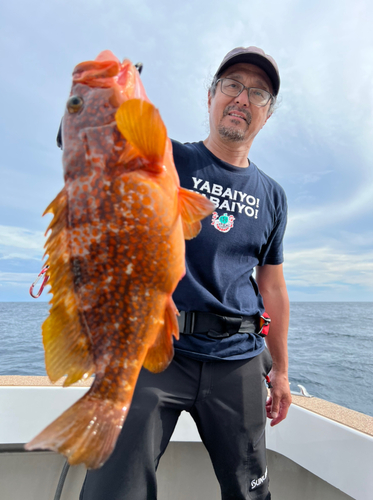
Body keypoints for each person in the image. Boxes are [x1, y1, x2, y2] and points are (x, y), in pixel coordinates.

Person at [80, 46, 291, 500]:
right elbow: (96, 144)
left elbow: (272, 285)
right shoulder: (168, 158)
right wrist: (107, 94)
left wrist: (282, 372)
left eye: (257, 93)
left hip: (239, 358)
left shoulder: (273, 195)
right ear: (211, 95)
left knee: (250, 493)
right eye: (232, 85)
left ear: (267, 114)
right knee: (112, 491)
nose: (242, 98)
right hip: (158, 351)